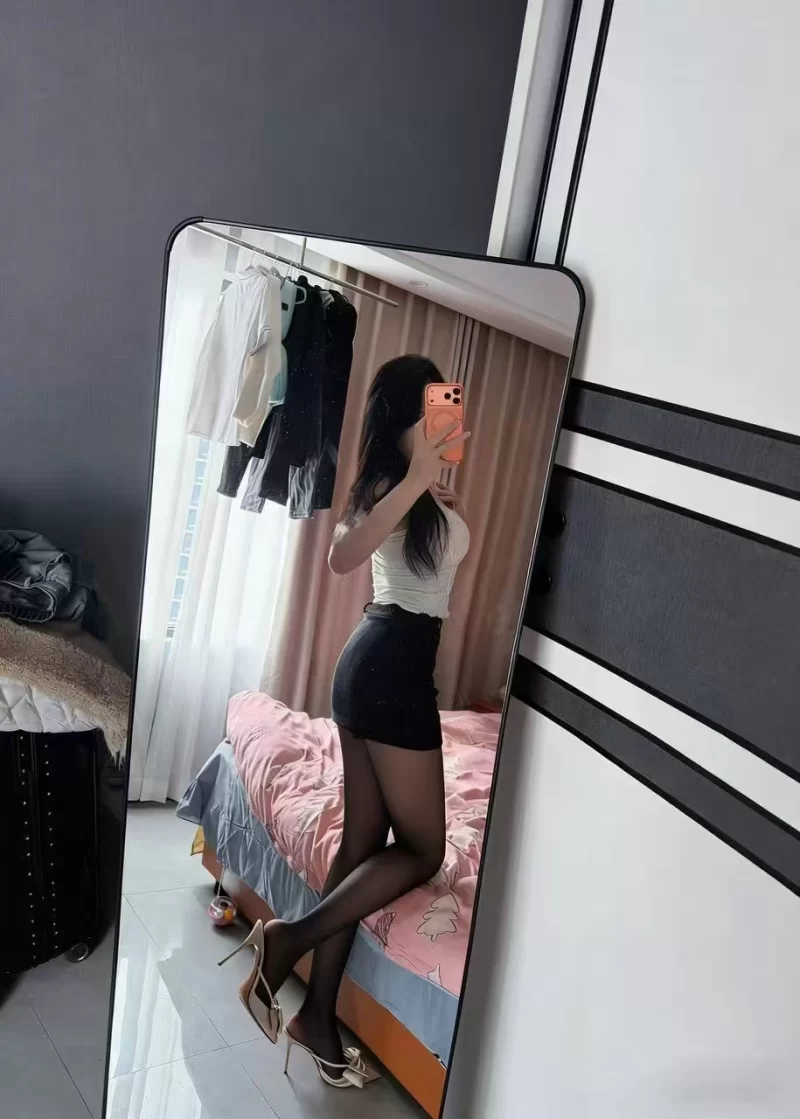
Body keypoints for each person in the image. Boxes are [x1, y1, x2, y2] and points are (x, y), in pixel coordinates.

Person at [222, 355, 470, 1088]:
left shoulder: (416, 491)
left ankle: (318, 1016)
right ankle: (287, 940)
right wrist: (419, 483)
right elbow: (341, 555)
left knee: (362, 844)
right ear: (405, 416)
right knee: (422, 849)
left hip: (376, 664)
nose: (445, 420)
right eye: (431, 408)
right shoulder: (394, 486)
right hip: (391, 669)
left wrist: (430, 491)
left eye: (448, 408)